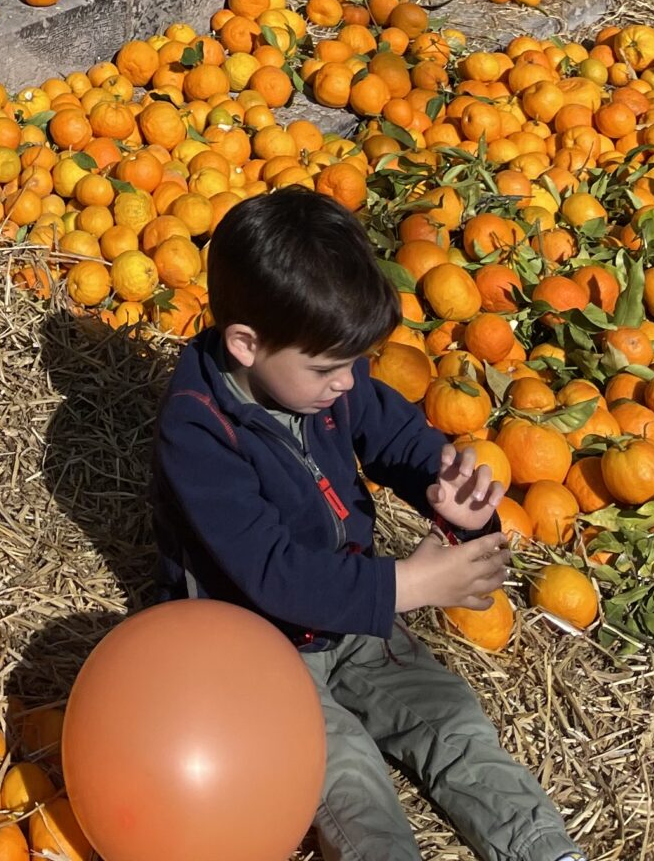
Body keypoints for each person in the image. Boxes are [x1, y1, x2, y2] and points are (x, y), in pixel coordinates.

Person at [152, 192, 587, 861]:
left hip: (352, 617)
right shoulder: (198, 433)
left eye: (356, 362)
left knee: (452, 721)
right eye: (330, 368)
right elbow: (271, 573)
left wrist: (447, 488)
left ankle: (542, 848)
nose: (349, 383)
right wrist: (405, 586)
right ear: (246, 344)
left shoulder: (327, 377)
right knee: (349, 777)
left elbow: (400, 437)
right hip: (259, 650)